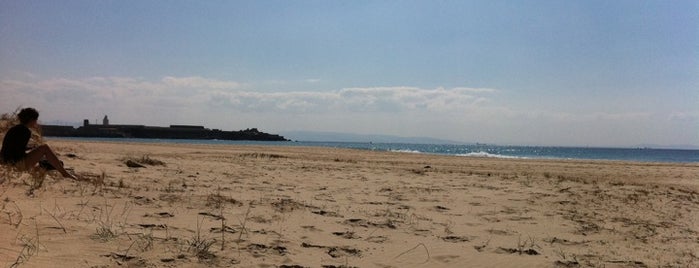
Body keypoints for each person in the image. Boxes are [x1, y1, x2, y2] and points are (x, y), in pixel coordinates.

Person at [1, 108, 77, 180]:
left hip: (5, 161)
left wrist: (30, 149)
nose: (36, 122)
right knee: (45, 148)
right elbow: (18, 153)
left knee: (39, 161)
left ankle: (54, 167)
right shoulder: (25, 131)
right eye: (36, 120)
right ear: (31, 120)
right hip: (16, 163)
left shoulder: (14, 129)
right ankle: (65, 173)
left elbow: (15, 147)